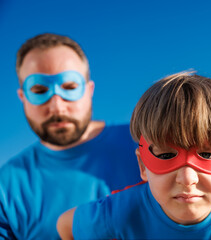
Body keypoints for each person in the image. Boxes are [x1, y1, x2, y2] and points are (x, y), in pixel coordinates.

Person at [57, 71, 211, 239]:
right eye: (166, 155)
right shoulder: (119, 213)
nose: (187, 178)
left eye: (208, 155)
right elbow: (65, 225)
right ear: (143, 165)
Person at [0, 33, 142, 239]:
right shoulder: (6, 188)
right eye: (39, 90)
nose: (57, 106)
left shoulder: (150, 143)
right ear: (23, 97)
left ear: (89, 89)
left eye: (69, 87)